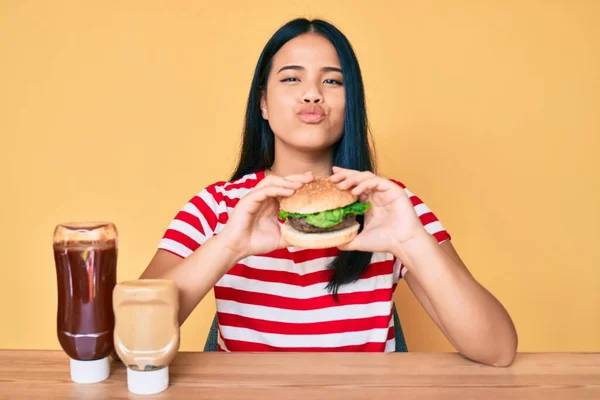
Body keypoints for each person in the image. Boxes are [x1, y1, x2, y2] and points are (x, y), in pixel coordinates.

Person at [140, 17, 518, 366]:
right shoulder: (216, 205)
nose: (312, 95)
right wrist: (228, 247)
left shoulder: (389, 204)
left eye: (333, 81)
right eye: (291, 79)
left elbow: (497, 349)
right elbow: (134, 338)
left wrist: (409, 242)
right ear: (263, 103)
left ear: (351, 102)